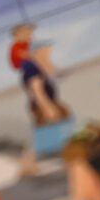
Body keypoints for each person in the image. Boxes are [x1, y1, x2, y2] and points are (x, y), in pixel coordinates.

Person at [10, 22, 69, 176]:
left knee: (50, 133)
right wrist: (48, 107)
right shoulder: (31, 68)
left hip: (45, 103)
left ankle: (28, 164)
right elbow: (37, 90)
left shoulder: (35, 67)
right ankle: (28, 164)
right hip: (43, 105)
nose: (47, 53)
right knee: (54, 131)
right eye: (44, 51)